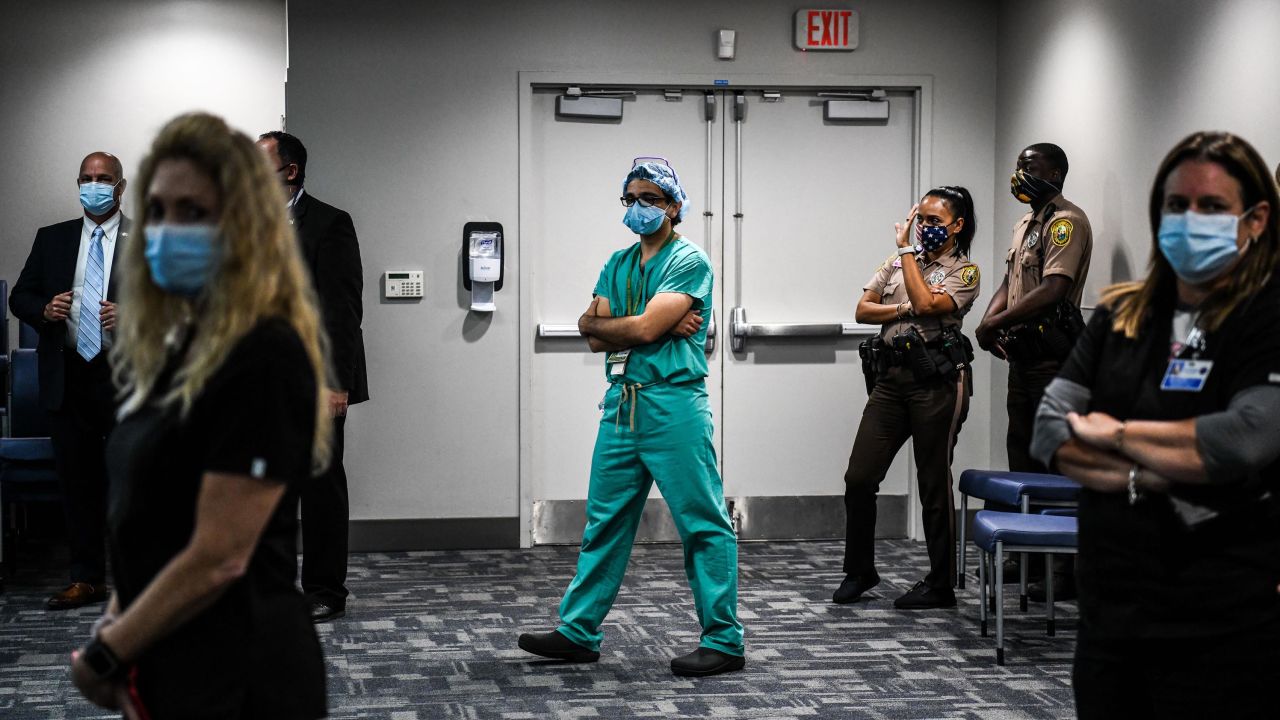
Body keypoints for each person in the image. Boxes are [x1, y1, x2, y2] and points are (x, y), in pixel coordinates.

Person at [69, 113, 329, 719]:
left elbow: (220, 554)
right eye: (158, 211)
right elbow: (140, 516)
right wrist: (126, 630)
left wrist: (109, 653)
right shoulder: (178, 349)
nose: (166, 231)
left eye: (194, 213)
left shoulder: (264, 351)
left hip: (243, 673)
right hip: (168, 658)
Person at [1031, 131, 1280, 718]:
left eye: (1213, 207)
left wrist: (1114, 433)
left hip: (1224, 622)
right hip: (1112, 613)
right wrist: (1153, 477)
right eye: (1177, 205)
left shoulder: (1264, 318)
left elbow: (1244, 438)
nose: (1190, 220)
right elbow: (1050, 429)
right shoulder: (1123, 313)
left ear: (1256, 219)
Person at [518, 157, 744, 677]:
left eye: (651, 199)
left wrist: (626, 325)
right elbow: (593, 330)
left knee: (703, 522)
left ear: (674, 206)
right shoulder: (617, 264)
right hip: (621, 403)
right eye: (632, 198)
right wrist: (634, 324)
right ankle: (578, 632)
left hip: (674, 405)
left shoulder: (690, 261)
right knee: (605, 521)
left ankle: (724, 639)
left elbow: (631, 331)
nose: (640, 208)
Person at [835, 186, 981, 610]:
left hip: (936, 381)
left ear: (957, 226)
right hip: (890, 382)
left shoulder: (965, 271)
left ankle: (940, 584)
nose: (925, 227)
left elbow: (926, 300)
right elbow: (863, 310)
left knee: (933, 482)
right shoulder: (899, 261)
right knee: (859, 478)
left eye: (935, 221)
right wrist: (901, 310)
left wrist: (907, 259)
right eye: (922, 219)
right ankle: (860, 570)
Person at [256, 130, 368, 623]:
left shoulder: (328, 224)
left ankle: (324, 590)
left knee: (319, 489)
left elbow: (341, 312)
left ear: (289, 172)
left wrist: (336, 383)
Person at [10, 152, 128, 610]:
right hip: (68, 376)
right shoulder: (52, 239)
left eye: (103, 179)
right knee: (77, 485)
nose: (93, 185)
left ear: (120, 187)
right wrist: (43, 310)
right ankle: (86, 579)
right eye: (86, 178)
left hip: (125, 379)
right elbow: (21, 295)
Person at [974, 143, 1093, 599]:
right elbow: (1009, 281)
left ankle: (1064, 572)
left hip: (1054, 359)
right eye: (1019, 164)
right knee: (1020, 456)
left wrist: (996, 324)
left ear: (1057, 173)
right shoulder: (1027, 222)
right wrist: (988, 321)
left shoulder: (1067, 222)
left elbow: (1052, 288)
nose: (1021, 172)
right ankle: (1028, 558)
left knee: (1055, 463)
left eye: (1031, 165)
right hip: (1023, 359)